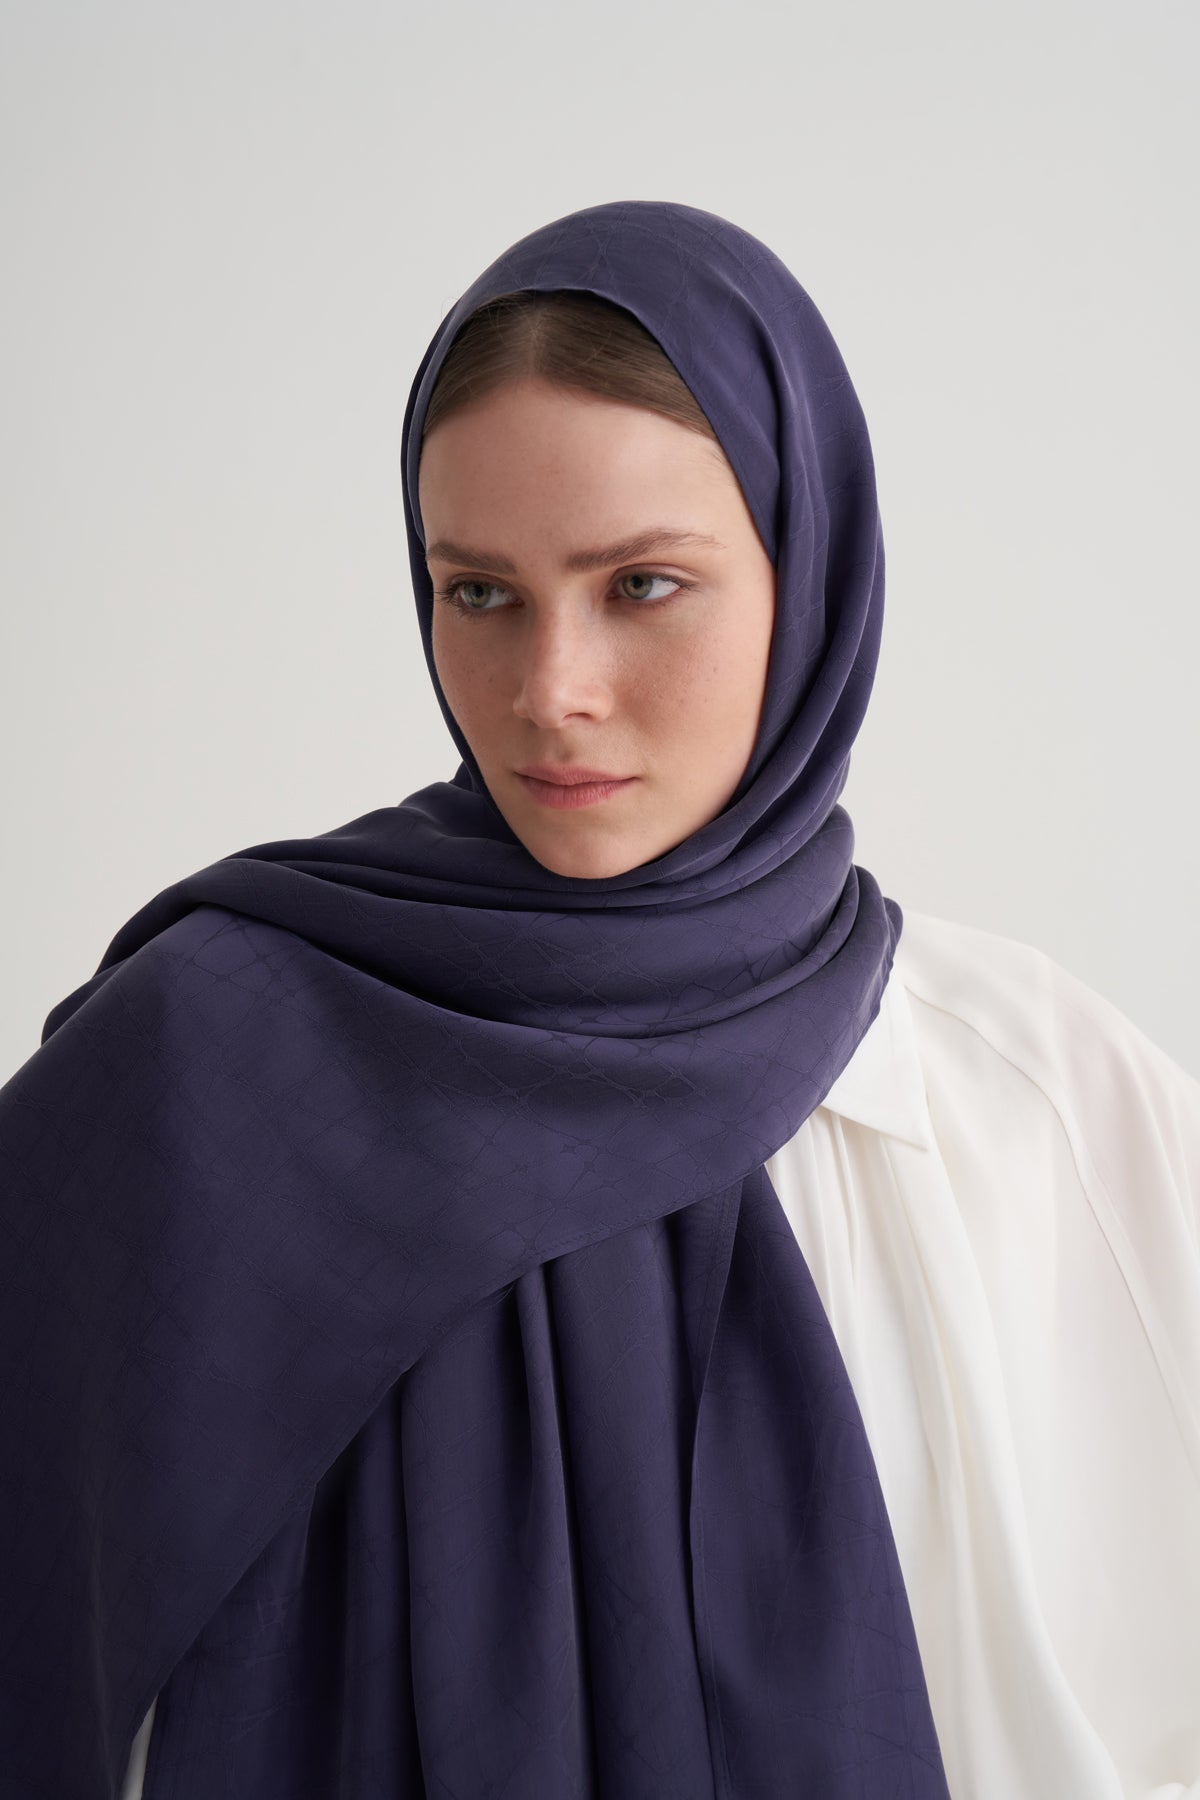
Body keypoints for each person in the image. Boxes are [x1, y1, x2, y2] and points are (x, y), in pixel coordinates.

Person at [2, 200, 1198, 1800]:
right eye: (480, 592)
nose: (549, 690)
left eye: (641, 583)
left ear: (808, 572)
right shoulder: (199, 1066)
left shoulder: (1043, 1098)